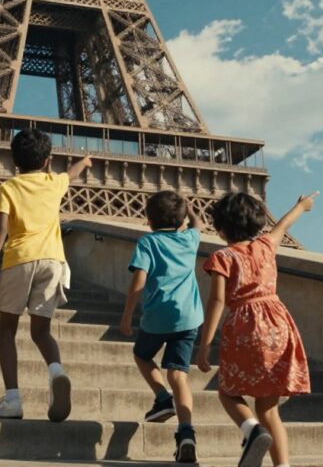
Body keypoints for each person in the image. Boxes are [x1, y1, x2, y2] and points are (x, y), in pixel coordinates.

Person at [195, 191, 318, 467]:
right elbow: (283, 225)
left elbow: (217, 300)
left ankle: (251, 431)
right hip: (277, 324)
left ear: (221, 229)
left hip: (244, 326)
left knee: (227, 392)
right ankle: (282, 465)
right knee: (269, 409)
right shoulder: (266, 245)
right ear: (257, 222)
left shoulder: (222, 256)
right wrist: (301, 206)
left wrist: (205, 343)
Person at [0, 128, 92, 421]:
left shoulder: (9, 188)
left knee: (7, 329)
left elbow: (0, 230)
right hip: (53, 261)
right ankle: (57, 371)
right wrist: (86, 161)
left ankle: (13, 399)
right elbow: (72, 172)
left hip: (19, 260)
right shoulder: (55, 183)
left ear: (14, 161)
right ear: (47, 160)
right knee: (41, 331)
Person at [118, 191, 204, 463]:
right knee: (179, 375)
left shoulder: (147, 243)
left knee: (142, 355)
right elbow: (198, 224)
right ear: (181, 221)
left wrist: (127, 314)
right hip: (188, 318)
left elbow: (138, 281)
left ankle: (162, 398)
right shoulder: (190, 238)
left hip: (156, 318)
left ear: (149, 220)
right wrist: (189, 208)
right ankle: (186, 432)